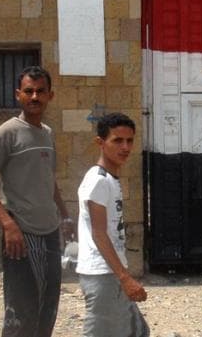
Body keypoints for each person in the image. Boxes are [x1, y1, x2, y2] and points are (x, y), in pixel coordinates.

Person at [0, 65, 73, 337]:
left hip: (50, 233)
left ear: (50, 95)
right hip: (21, 235)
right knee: (21, 313)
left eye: (40, 91)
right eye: (28, 91)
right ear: (18, 94)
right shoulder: (6, 133)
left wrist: (65, 216)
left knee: (47, 308)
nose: (34, 97)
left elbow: (48, 179)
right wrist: (8, 225)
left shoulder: (47, 133)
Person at [76, 113, 149, 337]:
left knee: (138, 332)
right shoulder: (98, 180)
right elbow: (99, 233)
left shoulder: (110, 179)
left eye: (129, 141)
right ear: (100, 142)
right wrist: (125, 278)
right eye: (117, 140)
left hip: (112, 272)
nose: (125, 147)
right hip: (102, 275)